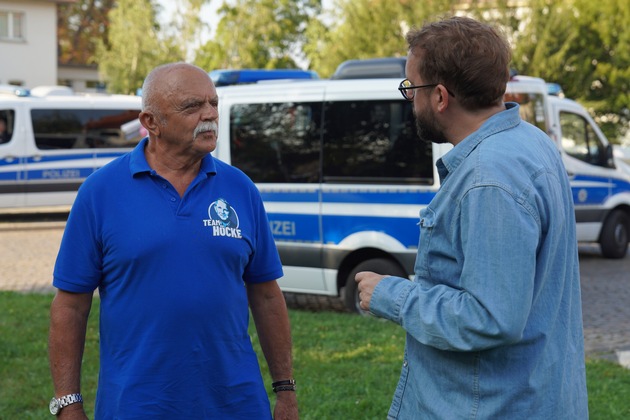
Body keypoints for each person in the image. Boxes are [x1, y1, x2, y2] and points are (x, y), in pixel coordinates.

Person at [355, 16, 588, 419]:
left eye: (411, 88)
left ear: (441, 97)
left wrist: (389, 295)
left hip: (491, 407)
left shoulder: (488, 179)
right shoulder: (531, 142)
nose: (410, 99)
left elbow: (489, 319)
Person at [49, 62, 298, 419]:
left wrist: (285, 390)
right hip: (137, 405)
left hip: (235, 404)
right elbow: (70, 305)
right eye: (193, 106)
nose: (210, 114)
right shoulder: (100, 192)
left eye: (213, 102)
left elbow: (267, 295)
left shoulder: (240, 188)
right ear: (151, 122)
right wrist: (67, 402)